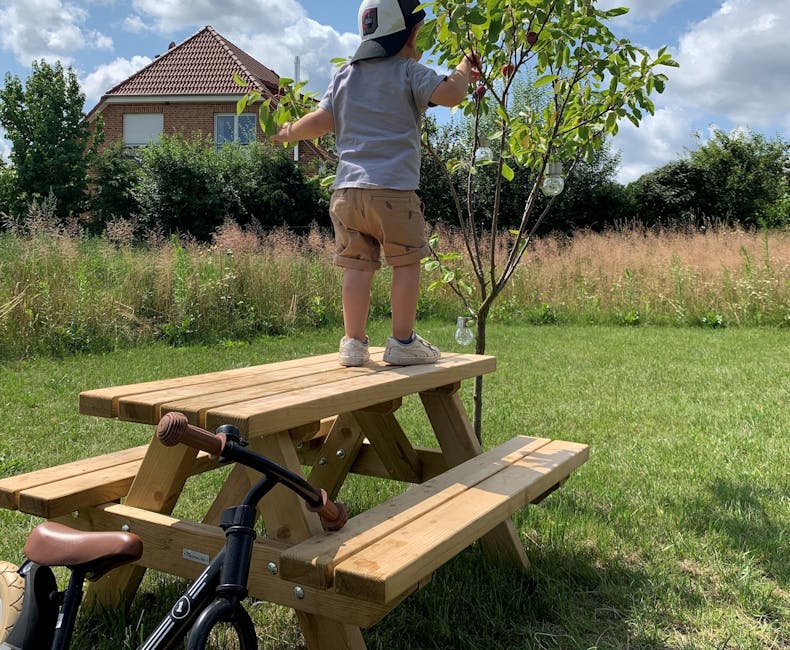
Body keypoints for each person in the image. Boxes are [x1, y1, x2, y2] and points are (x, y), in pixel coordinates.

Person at [272, 0, 481, 366]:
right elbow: (451, 94)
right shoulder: (407, 71)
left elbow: (321, 121)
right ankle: (402, 342)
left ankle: (353, 343)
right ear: (412, 34)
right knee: (406, 262)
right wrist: (463, 69)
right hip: (393, 191)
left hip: (346, 193)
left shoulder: (345, 76)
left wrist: (288, 132)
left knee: (357, 266)